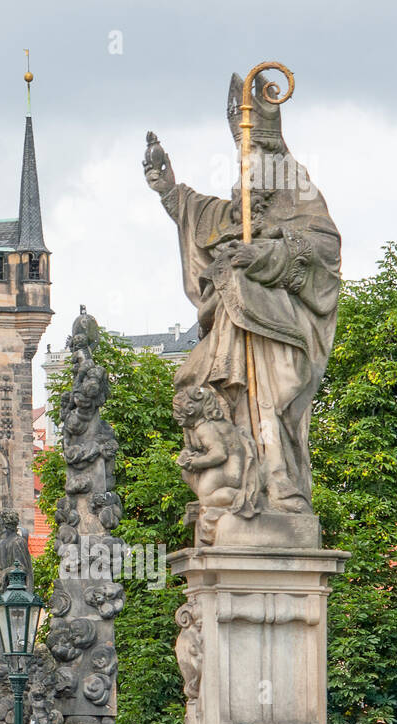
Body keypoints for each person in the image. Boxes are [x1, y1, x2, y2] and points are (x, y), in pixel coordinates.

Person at [143, 74, 341, 514]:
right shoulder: (243, 201)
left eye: (254, 152)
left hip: (278, 329)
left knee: (271, 405)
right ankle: (234, 483)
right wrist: (170, 191)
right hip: (236, 324)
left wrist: (261, 256)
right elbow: (210, 218)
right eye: (242, 154)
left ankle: (278, 483)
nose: (247, 163)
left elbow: (323, 250)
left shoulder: (297, 193)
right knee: (198, 385)